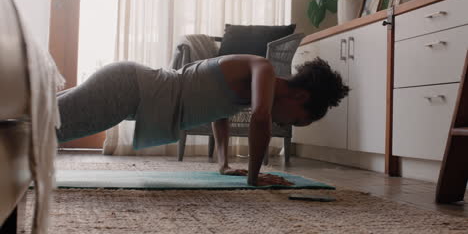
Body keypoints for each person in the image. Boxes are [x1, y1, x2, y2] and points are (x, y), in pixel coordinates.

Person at [56, 54, 349, 186]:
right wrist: (254, 177)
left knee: (37, 118)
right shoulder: (263, 69)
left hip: (130, 89)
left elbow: (219, 115)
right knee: (45, 130)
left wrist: (223, 164)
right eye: (296, 121)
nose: (286, 126)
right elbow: (261, 118)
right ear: (300, 97)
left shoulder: (249, 85)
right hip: (128, 88)